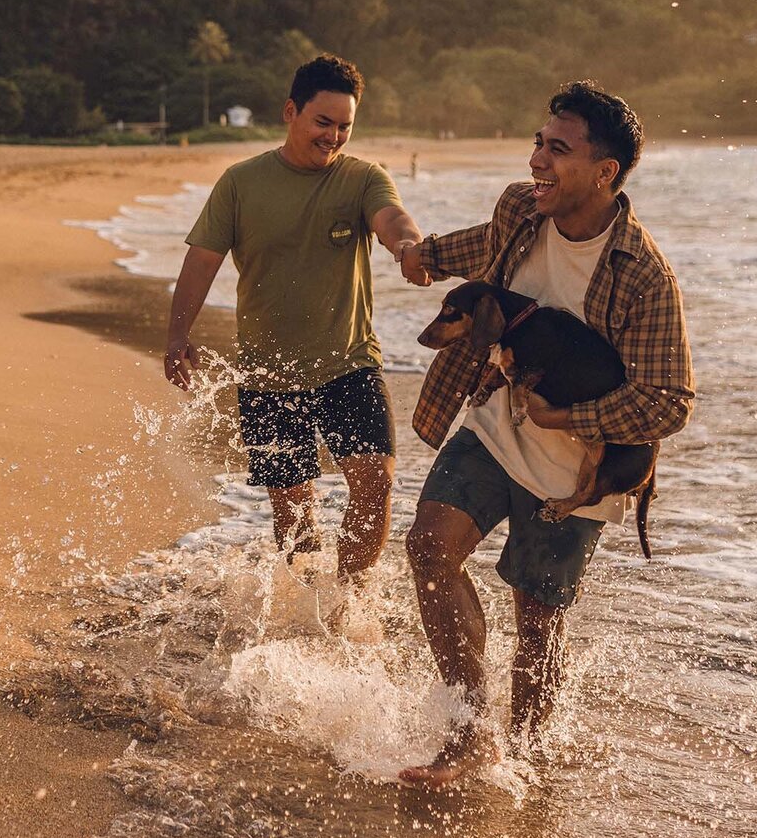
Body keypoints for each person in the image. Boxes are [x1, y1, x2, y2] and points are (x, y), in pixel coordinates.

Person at [398, 81, 693, 786]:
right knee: (429, 548)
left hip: (574, 466)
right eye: (538, 141)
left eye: (557, 149)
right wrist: (425, 254)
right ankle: (470, 734)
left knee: (537, 619)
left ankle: (525, 767)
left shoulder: (645, 278)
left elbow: (670, 401)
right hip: (497, 423)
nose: (537, 159)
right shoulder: (520, 208)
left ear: (604, 172)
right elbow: (489, 245)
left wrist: (572, 420)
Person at [164, 54, 430, 598]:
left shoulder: (362, 179)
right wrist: (176, 337)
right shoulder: (241, 184)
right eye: (323, 122)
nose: (334, 136)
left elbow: (392, 220)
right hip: (267, 375)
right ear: (291, 112)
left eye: (345, 126)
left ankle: (349, 604)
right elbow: (201, 263)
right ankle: (308, 603)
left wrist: (408, 245)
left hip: (348, 362)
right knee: (293, 514)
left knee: (375, 484)